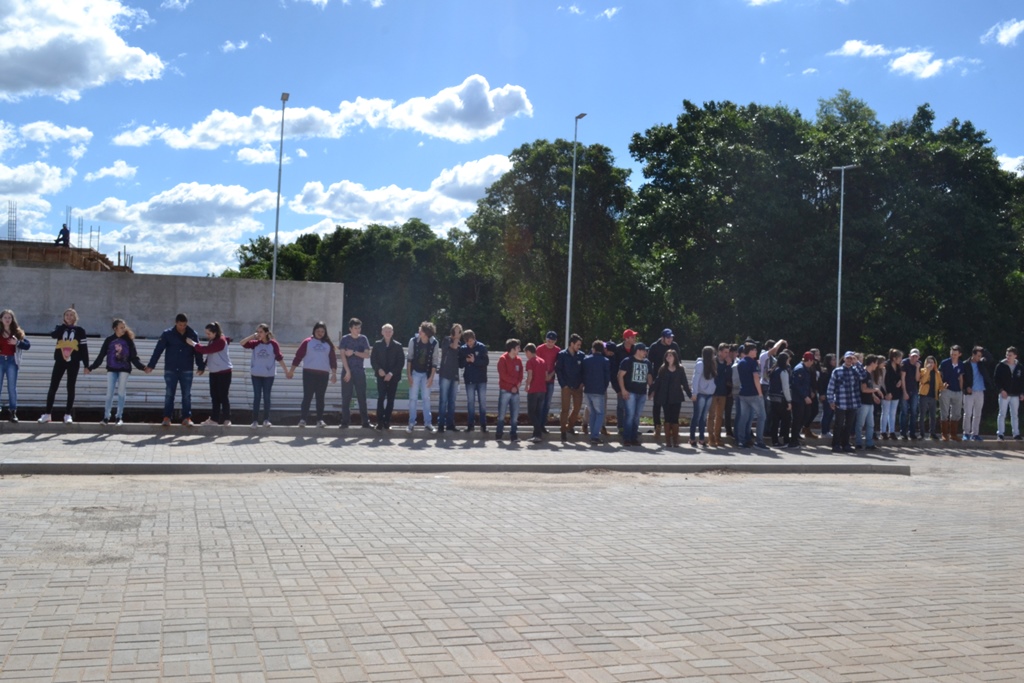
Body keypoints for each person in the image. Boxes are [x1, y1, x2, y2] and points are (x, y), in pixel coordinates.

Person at [146, 313, 204, 427]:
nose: (182, 327)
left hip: (186, 368)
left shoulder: (192, 334)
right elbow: (158, 350)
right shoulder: (167, 334)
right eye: (180, 325)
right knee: (169, 394)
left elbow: (198, 351)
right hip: (171, 368)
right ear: (176, 323)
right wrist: (151, 365)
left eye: (184, 325)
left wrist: (200, 366)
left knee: (186, 394)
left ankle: (187, 418)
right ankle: (167, 417)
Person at [89, 318, 147, 425]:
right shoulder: (109, 340)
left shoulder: (128, 341)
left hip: (124, 369)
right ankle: (106, 417)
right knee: (109, 393)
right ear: (115, 328)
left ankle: (119, 417)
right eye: (121, 327)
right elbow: (101, 356)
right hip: (111, 369)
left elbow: (134, 357)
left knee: (121, 392)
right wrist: (91, 367)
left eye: (124, 327)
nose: (123, 329)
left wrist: (143, 367)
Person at [39, 307, 90, 424]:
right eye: (67, 315)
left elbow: (84, 348)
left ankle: (67, 414)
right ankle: (47, 414)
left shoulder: (80, 330)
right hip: (60, 361)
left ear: (75, 317)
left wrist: (86, 365)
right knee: (53, 386)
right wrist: (63, 326)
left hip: (74, 362)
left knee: (70, 387)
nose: (69, 317)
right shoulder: (60, 328)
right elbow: (53, 335)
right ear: (64, 317)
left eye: (71, 315)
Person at [289, 322, 337, 428]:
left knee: (320, 397)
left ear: (325, 332)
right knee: (307, 396)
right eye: (318, 331)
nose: (320, 333)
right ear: (314, 331)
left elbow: (333, 360)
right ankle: (303, 419)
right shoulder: (307, 342)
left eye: (322, 331)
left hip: (323, 374)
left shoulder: (328, 344)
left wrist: (334, 374)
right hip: (309, 373)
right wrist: (291, 370)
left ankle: (319, 420)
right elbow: (298, 356)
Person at [240, 323, 287, 427]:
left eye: (261, 332)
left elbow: (279, 357)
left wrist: (286, 371)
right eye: (257, 331)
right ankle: (255, 421)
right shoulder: (255, 343)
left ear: (266, 333)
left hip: (268, 375)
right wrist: (253, 336)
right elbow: (242, 343)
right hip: (256, 374)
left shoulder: (273, 344)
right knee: (257, 397)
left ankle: (266, 420)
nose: (259, 334)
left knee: (266, 397)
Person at [187, 322, 233, 426]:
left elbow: (207, 350)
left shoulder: (221, 341)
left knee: (223, 396)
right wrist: (203, 366)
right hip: (214, 373)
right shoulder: (212, 341)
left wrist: (194, 344)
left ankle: (227, 418)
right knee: (214, 396)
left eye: (209, 333)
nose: (207, 336)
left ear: (215, 333)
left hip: (224, 373)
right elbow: (210, 355)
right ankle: (214, 419)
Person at [647, 329, 683, 440]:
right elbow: (649, 364)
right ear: (662, 337)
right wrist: (651, 381)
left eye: (671, 337)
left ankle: (673, 428)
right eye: (668, 337)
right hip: (658, 379)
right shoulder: (654, 346)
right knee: (657, 404)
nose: (670, 339)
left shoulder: (674, 346)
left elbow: (679, 362)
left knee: (672, 405)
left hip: (672, 380)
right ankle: (657, 427)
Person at [406, 321, 440, 433]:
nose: (419, 331)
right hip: (415, 372)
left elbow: (435, 361)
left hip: (426, 373)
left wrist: (431, 378)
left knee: (426, 398)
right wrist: (409, 375)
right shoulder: (413, 341)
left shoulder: (434, 343)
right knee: (413, 398)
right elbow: (409, 359)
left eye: (421, 330)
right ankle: (411, 423)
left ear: (427, 333)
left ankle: (428, 423)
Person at [617, 342, 653, 447]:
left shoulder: (647, 362)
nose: (646, 352)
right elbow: (620, 375)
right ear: (638, 351)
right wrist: (623, 390)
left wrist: (652, 389)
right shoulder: (627, 361)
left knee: (637, 416)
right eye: (644, 350)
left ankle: (634, 438)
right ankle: (627, 438)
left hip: (642, 393)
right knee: (630, 415)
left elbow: (649, 376)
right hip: (630, 392)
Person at [338, 318, 372, 429]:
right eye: (355, 328)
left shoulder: (363, 339)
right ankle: (345, 421)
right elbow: (343, 355)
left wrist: (354, 352)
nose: (358, 330)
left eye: (359, 328)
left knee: (362, 397)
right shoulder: (345, 339)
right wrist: (347, 371)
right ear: (350, 329)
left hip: (359, 372)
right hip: (347, 371)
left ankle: (365, 422)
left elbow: (367, 355)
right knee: (346, 397)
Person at [369, 323, 403, 431]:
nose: (388, 333)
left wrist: (391, 373)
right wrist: (378, 369)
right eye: (386, 331)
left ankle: (387, 422)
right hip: (381, 376)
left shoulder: (398, 346)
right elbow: (373, 360)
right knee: (381, 398)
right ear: (382, 332)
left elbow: (400, 362)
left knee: (390, 400)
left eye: (390, 331)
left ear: (392, 332)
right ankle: (379, 422)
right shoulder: (377, 344)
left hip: (393, 377)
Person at [662, 348, 698, 447]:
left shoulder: (680, 369)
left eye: (670, 355)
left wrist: (690, 395)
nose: (668, 357)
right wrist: (652, 391)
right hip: (665, 397)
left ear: (675, 357)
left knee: (675, 418)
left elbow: (685, 383)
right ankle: (668, 440)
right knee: (667, 418)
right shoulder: (663, 368)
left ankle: (675, 440)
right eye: (667, 355)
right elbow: (658, 382)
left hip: (676, 397)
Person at [0, 309, 31, 423]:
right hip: (0, 359)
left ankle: (13, 411)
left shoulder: (16, 332)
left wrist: (17, 342)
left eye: (9, 317)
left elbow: (27, 345)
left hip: (12, 361)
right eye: (5, 317)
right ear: (1, 319)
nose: (7, 320)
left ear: (12, 319)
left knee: (12, 387)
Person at [736, 342, 768, 449]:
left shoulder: (741, 362)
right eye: (754, 350)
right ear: (750, 351)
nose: (756, 351)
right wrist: (760, 393)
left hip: (743, 393)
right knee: (762, 416)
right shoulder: (753, 363)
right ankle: (759, 441)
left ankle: (741, 441)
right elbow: (756, 378)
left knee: (743, 417)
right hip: (754, 393)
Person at [827, 351, 861, 453]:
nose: (849, 360)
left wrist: (857, 363)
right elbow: (831, 386)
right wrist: (831, 400)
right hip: (840, 402)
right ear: (844, 359)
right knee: (839, 424)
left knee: (849, 425)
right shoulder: (837, 371)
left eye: (851, 358)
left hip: (853, 402)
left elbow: (864, 375)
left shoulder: (856, 370)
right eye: (848, 358)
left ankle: (845, 444)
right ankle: (836, 444)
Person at [555, 333, 585, 441]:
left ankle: (570, 426)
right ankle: (563, 431)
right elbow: (558, 370)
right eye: (577, 345)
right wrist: (563, 384)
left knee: (577, 408)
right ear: (572, 344)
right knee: (565, 409)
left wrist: (582, 383)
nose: (579, 347)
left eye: (580, 345)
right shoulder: (562, 354)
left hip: (578, 387)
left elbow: (584, 370)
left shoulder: (581, 355)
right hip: (566, 387)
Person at [458, 330, 489, 432]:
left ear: (474, 338)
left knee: (482, 402)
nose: (469, 344)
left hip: (481, 379)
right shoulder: (463, 349)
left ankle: (483, 425)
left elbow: (486, 362)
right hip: (469, 379)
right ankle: (470, 425)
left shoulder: (481, 347)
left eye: (471, 341)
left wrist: (474, 360)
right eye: (467, 342)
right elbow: (460, 364)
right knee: (470, 402)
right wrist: (466, 361)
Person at [581, 340, 610, 445]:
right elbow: (607, 377)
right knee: (600, 413)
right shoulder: (605, 361)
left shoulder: (586, 360)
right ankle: (595, 436)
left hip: (588, 390)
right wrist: (603, 388)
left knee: (592, 413)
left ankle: (592, 435)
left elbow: (583, 374)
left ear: (593, 349)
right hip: (599, 390)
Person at [962, 346, 993, 442]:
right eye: (978, 356)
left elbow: (990, 359)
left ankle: (975, 434)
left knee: (978, 414)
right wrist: (966, 387)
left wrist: (983, 350)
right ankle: (966, 433)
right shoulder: (965, 364)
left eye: (981, 356)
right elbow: (962, 378)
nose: (979, 358)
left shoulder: (981, 363)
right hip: (969, 392)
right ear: (973, 354)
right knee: (968, 413)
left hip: (980, 391)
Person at [495, 339, 523, 442]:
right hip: (505, 390)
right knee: (502, 414)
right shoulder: (502, 359)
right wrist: (514, 384)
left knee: (515, 416)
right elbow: (503, 375)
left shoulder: (519, 360)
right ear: (512, 349)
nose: (519, 350)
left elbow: (521, 375)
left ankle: (514, 435)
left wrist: (517, 386)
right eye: (518, 348)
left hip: (515, 391)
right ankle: (499, 434)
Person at [437, 323, 463, 433]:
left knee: (452, 401)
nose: (458, 332)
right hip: (445, 374)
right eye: (456, 330)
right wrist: (456, 337)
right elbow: (453, 346)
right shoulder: (447, 340)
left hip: (454, 375)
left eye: (459, 331)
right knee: (443, 400)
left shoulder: (460, 344)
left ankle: (450, 424)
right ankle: (441, 425)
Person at [994, 346, 1024, 441]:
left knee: (1015, 415)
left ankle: (1016, 434)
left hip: (1015, 395)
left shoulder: (1019, 367)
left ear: (1015, 356)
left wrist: (1021, 393)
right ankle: (1000, 434)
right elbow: (996, 380)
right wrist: (1001, 390)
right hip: (1004, 394)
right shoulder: (1001, 366)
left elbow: (1022, 381)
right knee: (1002, 414)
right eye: (1007, 355)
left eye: (1010, 355)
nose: (1008, 357)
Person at [765, 350, 793, 448]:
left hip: (772, 398)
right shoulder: (783, 371)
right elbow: (785, 388)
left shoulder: (774, 370)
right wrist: (789, 401)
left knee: (775, 421)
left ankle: (775, 441)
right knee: (786, 420)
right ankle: (786, 440)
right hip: (781, 399)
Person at [854, 354, 883, 449]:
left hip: (869, 402)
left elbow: (869, 388)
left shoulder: (869, 374)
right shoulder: (864, 374)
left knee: (871, 424)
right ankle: (858, 443)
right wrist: (876, 390)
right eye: (876, 363)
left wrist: (874, 396)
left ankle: (869, 443)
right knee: (860, 424)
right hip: (863, 402)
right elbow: (864, 389)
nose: (877, 365)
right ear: (872, 363)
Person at [613, 330, 638, 438]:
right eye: (632, 337)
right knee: (621, 406)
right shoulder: (617, 349)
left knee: (633, 408)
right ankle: (621, 427)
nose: (634, 339)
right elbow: (613, 370)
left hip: (633, 384)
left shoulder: (636, 349)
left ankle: (633, 428)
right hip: (621, 384)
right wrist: (617, 388)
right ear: (626, 338)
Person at [536, 331, 561, 433]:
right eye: (548, 341)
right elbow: (537, 362)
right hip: (541, 379)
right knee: (540, 403)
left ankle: (542, 425)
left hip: (551, 379)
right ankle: (537, 425)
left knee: (547, 403)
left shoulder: (558, 350)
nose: (550, 343)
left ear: (555, 341)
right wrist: (545, 373)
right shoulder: (539, 349)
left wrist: (551, 374)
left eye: (552, 341)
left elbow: (558, 364)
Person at [938, 345, 964, 441]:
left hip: (957, 391)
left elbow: (961, 377)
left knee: (956, 413)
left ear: (959, 354)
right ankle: (944, 434)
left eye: (955, 354)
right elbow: (939, 375)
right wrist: (941, 386)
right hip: (946, 390)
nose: (953, 356)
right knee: (944, 412)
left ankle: (953, 434)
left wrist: (961, 390)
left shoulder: (961, 364)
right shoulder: (944, 363)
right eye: (952, 354)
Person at [707, 343, 731, 447]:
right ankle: (711, 437)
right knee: (711, 415)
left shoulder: (727, 363)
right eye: (725, 352)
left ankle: (718, 437)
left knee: (720, 416)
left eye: (728, 352)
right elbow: (715, 374)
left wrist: (728, 365)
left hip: (723, 392)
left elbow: (729, 377)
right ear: (719, 352)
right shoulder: (713, 361)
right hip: (713, 391)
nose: (727, 354)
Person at [524, 343, 548, 443]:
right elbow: (546, 376)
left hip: (533, 390)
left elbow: (530, 375)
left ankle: (538, 432)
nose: (526, 355)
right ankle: (536, 434)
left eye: (526, 353)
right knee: (538, 412)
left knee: (531, 412)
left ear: (529, 352)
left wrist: (527, 385)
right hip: (542, 390)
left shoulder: (530, 362)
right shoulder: (543, 361)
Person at [880, 349, 903, 440]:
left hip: (896, 391)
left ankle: (892, 431)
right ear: (894, 358)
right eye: (899, 357)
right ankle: (883, 431)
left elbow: (900, 377)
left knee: (893, 413)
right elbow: (884, 381)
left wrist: (900, 381)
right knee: (885, 412)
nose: (901, 359)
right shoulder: (886, 366)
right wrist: (887, 392)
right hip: (887, 392)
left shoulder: (899, 367)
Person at [900, 349, 922, 440]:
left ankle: (912, 433)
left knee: (914, 412)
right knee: (904, 412)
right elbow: (903, 378)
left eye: (916, 356)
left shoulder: (919, 364)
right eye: (913, 356)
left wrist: (917, 368)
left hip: (914, 390)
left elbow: (917, 379)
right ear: (909, 355)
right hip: (905, 389)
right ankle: (903, 433)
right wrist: (904, 392)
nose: (914, 358)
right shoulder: (905, 363)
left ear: (919, 357)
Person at [918, 356, 942, 440]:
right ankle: (921, 433)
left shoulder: (937, 373)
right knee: (922, 415)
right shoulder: (922, 371)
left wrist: (944, 386)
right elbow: (923, 381)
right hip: (924, 395)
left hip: (933, 396)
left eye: (932, 362)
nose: (930, 364)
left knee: (933, 416)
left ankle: (932, 433)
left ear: (935, 364)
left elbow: (940, 385)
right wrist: (927, 370)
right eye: (928, 362)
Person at [818, 354, 836, 438]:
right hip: (826, 394)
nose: (835, 361)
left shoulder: (834, 370)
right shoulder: (824, 371)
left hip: (833, 395)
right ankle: (824, 431)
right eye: (833, 359)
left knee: (831, 413)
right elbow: (820, 384)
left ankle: (827, 430)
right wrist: (821, 394)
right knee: (827, 413)